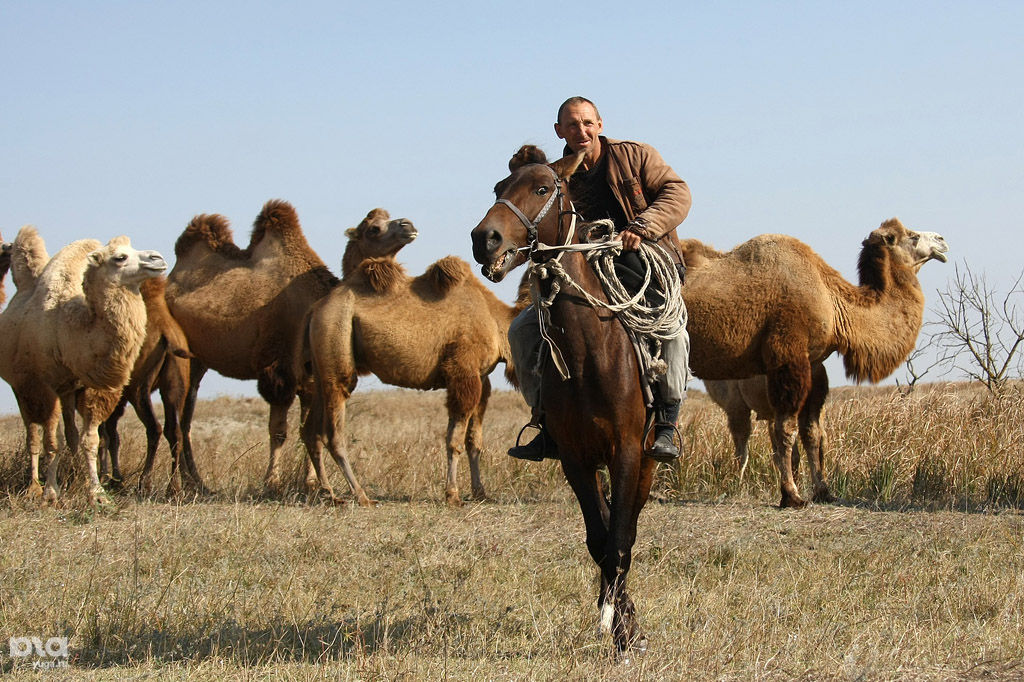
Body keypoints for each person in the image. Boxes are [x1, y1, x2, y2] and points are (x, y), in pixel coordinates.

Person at [508, 96, 692, 462]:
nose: (581, 131)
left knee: (672, 332)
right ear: (559, 131)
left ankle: (668, 422)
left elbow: (678, 192)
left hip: (644, 262)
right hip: (582, 272)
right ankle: (545, 420)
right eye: (572, 125)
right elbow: (536, 225)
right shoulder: (552, 176)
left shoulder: (634, 156)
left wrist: (644, 226)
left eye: (587, 123)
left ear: (600, 125)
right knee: (523, 331)